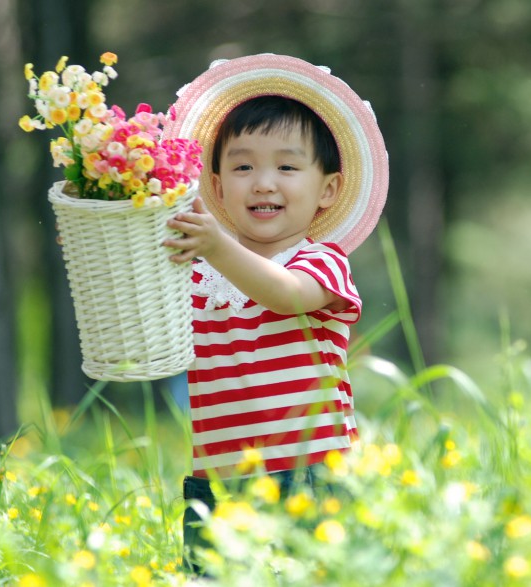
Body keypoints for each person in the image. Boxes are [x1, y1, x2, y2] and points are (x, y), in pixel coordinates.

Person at [161, 54, 389, 574]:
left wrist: (216, 247)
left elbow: (285, 295)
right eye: (242, 167)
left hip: (308, 475)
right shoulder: (197, 277)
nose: (263, 183)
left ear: (327, 190)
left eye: (287, 167)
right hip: (216, 483)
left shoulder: (322, 263)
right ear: (216, 187)